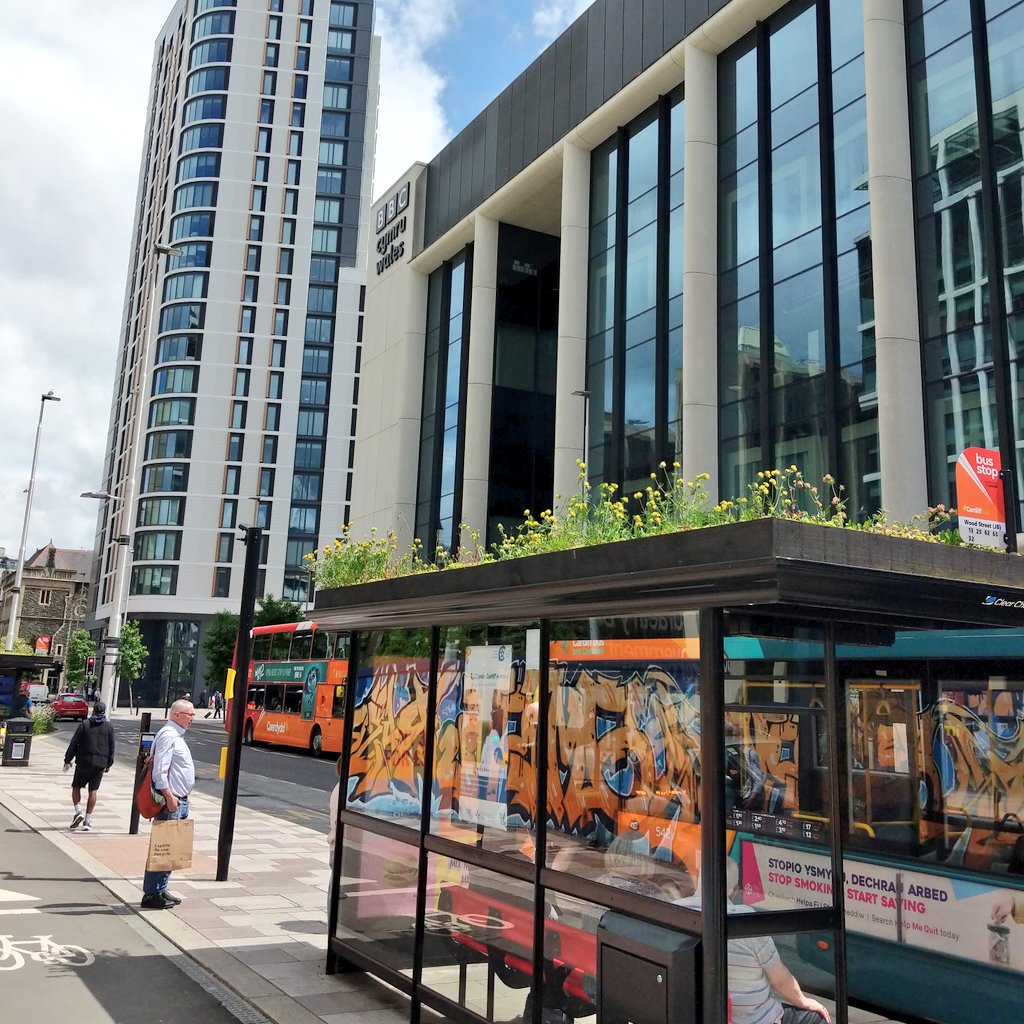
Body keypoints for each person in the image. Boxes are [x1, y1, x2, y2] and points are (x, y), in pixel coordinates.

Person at [677, 859, 831, 1024]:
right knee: (816, 1018)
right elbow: (780, 980)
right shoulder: (746, 921)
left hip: (698, 1014)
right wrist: (804, 1001)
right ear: (735, 891)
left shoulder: (674, 911)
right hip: (756, 1019)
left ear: (697, 881)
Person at [141, 699, 196, 910]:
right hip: (170, 801)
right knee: (162, 847)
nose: (192, 718)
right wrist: (169, 795)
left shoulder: (174, 735)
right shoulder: (168, 735)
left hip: (178, 800)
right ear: (176, 715)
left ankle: (161, 888)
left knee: (170, 849)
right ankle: (152, 894)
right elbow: (159, 771)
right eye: (189, 714)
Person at [64, 699, 116, 832]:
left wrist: (67, 759)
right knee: (93, 791)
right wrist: (109, 763)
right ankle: (87, 820)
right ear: (104, 712)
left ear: (93, 711)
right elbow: (112, 747)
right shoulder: (109, 727)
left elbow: (74, 743)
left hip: (83, 761)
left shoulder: (85, 724)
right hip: (100, 764)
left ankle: (78, 812)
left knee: (76, 787)